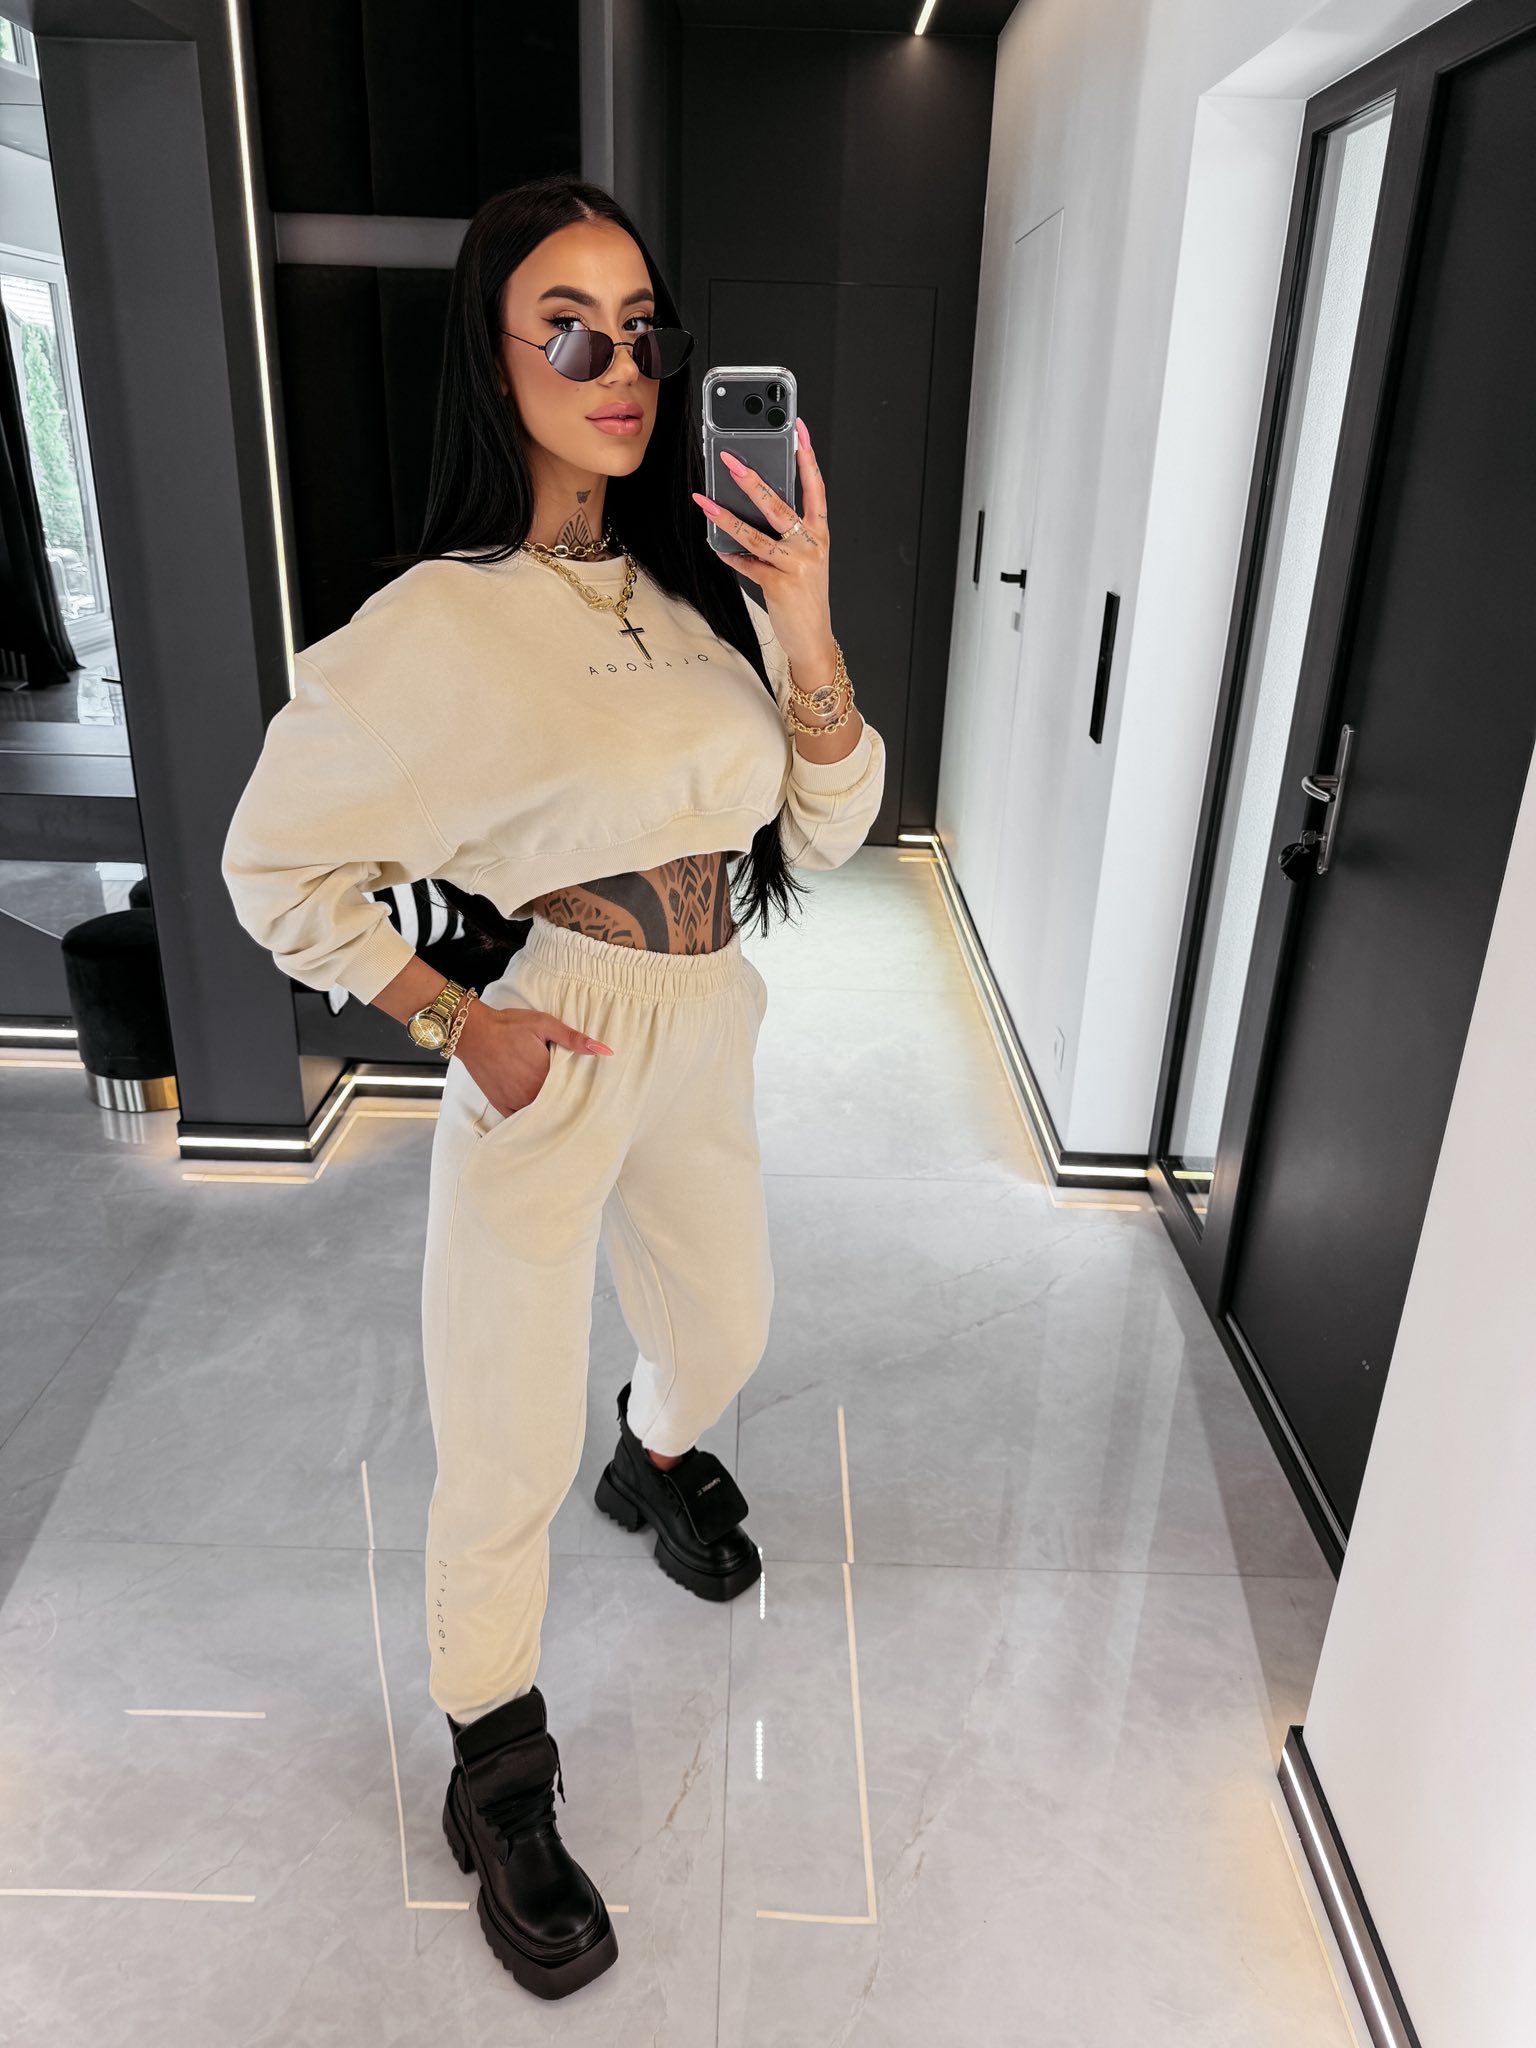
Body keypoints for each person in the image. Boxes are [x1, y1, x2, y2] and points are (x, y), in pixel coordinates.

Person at [220, 172, 885, 1999]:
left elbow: (830, 826)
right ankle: (498, 1766)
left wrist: (803, 615)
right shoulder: (432, 627)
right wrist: (456, 1021)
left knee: (725, 1327)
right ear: (494, 358)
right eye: (571, 333)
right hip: (553, 1038)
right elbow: (274, 867)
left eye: (643, 332)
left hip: (707, 1019)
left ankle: (652, 1455)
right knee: (497, 1434)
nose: (623, 368)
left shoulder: (689, 598)